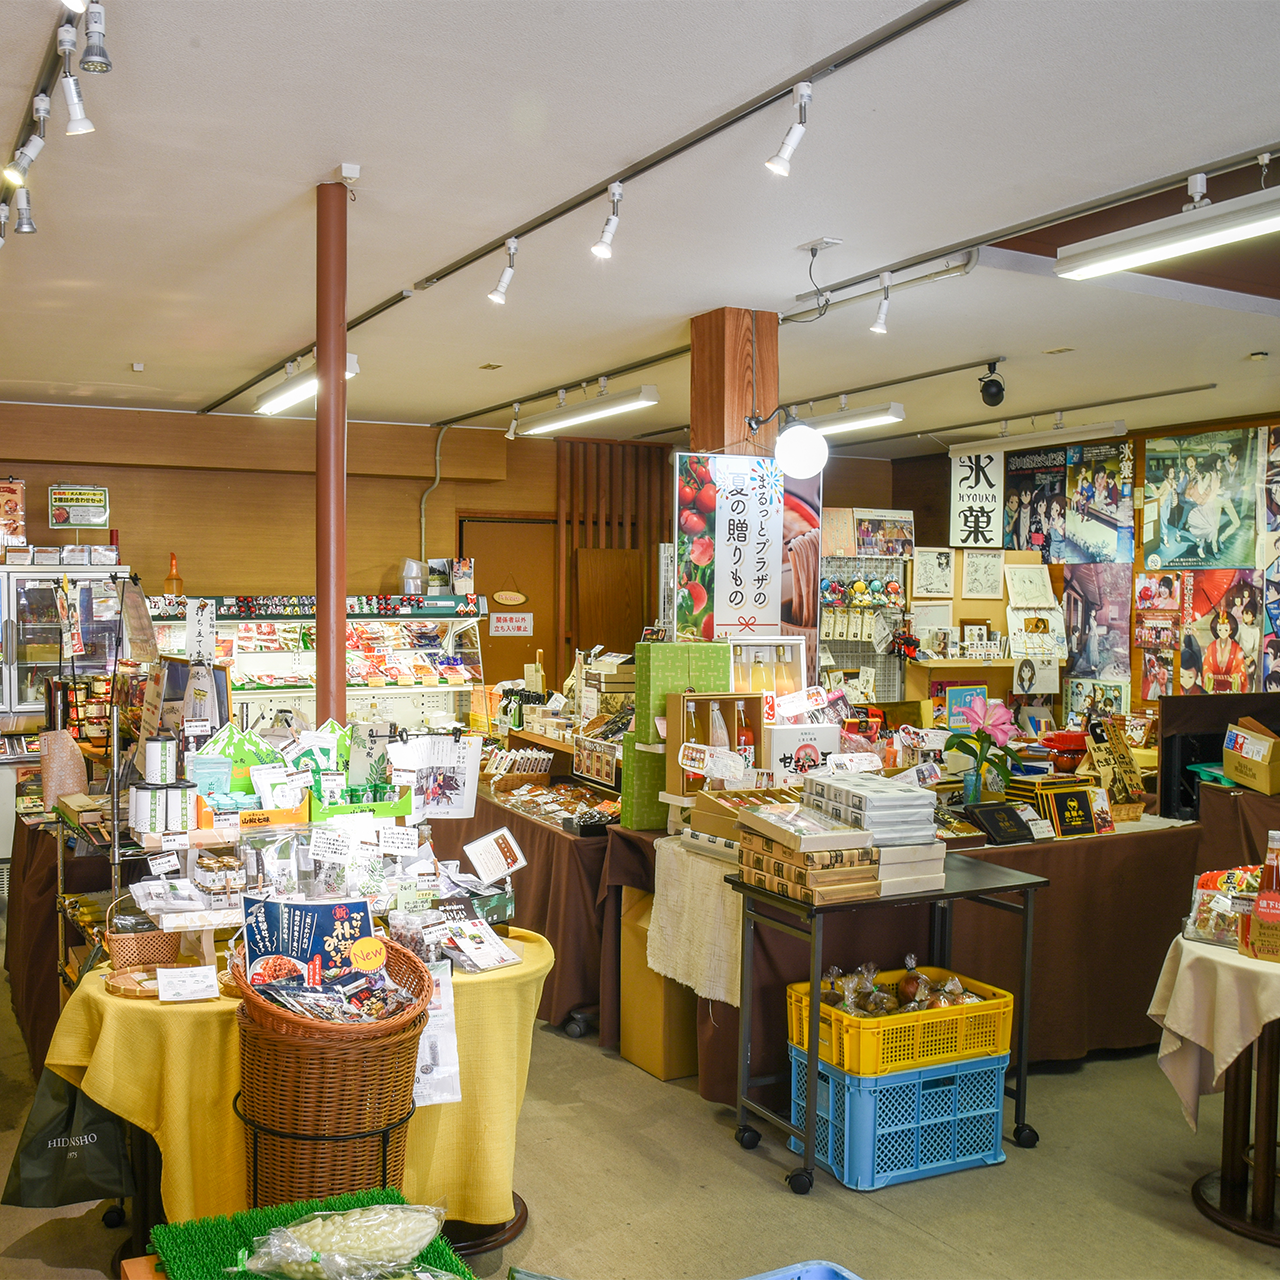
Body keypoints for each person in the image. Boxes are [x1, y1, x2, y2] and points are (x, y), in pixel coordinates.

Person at [1184, 454, 1221, 559]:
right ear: (1214, 463)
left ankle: (1201, 545)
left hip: (1211, 504)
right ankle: (1200, 546)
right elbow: (1201, 489)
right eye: (1219, 462)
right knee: (1208, 527)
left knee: (1209, 527)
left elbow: (1215, 490)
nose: (1221, 464)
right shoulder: (1209, 475)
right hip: (1205, 504)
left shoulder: (1217, 475)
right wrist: (1200, 480)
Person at [1202, 609, 1248, 692]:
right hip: (1214, 689)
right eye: (1220, 630)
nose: (1223, 632)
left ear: (1230, 631)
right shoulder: (1211, 647)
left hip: (1230, 689)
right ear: (1216, 631)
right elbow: (1206, 666)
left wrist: (1235, 677)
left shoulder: (1236, 648)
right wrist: (1209, 675)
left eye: (1226, 630)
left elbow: (1240, 668)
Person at [1047, 493, 1068, 563]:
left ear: (1061, 511)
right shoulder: (1051, 519)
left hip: (1062, 545)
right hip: (1053, 545)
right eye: (1052, 509)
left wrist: (1056, 524)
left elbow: (1062, 533)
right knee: (1054, 562)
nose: (1053, 512)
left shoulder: (1063, 522)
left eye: (1056, 510)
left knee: (1061, 563)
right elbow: (1049, 530)